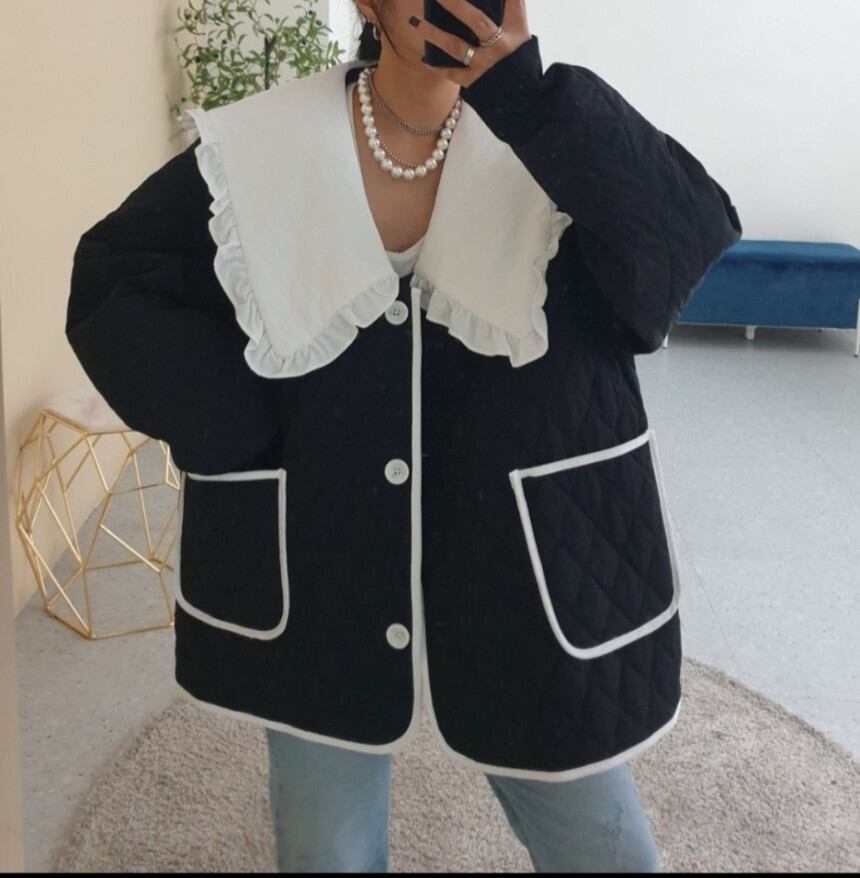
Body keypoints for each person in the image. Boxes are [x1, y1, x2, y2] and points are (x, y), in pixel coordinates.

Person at [66, 0, 742, 872]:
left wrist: (530, 96)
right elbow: (113, 282)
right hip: (324, 564)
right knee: (327, 854)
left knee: (607, 851)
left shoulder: (557, 141)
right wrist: (239, 428)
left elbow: (685, 243)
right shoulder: (267, 144)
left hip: (529, 568)